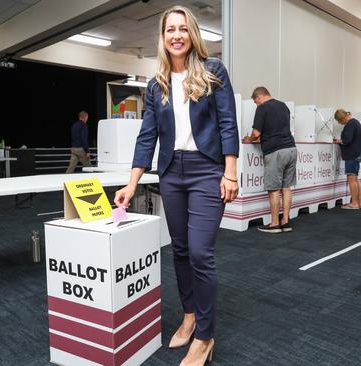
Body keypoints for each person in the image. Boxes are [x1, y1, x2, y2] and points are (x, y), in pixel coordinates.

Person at [113, 6, 239, 366]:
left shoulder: (213, 70)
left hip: (206, 171)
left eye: (184, 29)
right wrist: (132, 183)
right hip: (171, 172)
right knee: (180, 250)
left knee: (201, 252)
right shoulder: (157, 84)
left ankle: (205, 335)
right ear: (163, 36)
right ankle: (189, 315)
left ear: (192, 33)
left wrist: (230, 172)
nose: (177, 35)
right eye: (171, 29)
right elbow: (147, 136)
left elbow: (228, 122)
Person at [243, 87, 297, 233]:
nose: (256, 105)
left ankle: (274, 224)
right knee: (286, 188)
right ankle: (285, 221)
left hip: (275, 151)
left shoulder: (262, 108)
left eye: (255, 102)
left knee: (273, 189)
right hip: (291, 149)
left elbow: (256, 133)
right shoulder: (283, 106)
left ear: (259, 97)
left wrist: (249, 138)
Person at [334, 109, 361, 209]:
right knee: (355, 178)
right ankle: (359, 202)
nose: (339, 123)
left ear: (342, 118)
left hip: (352, 154)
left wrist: (339, 141)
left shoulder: (350, 124)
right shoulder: (356, 122)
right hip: (357, 153)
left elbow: (347, 140)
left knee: (351, 178)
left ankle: (354, 203)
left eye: (339, 121)